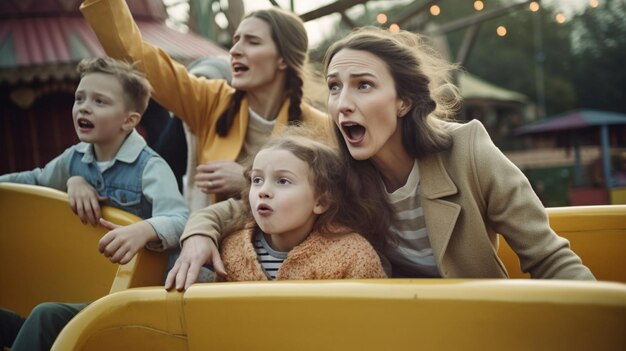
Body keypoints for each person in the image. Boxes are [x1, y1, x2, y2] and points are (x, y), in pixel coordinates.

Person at [166, 27, 594, 288]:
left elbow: (550, 258)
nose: (341, 104)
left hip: (474, 320)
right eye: (334, 87)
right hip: (390, 323)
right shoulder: (337, 170)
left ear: (404, 100)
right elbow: (236, 209)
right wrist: (198, 236)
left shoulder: (469, 150)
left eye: (363, 85)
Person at [0, 57, 189, 351]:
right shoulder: (75, 158)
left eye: (100, 101)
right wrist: (72, 180)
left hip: (128, 293)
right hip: (81, 282)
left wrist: (144, 230)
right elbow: (34, 180)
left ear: (129, 120)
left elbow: (180, 217)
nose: (84, 107)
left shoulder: (149, 167)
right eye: (80, 98)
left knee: (45, 316)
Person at [80, 0, 329, 206]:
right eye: (235, 41)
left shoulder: (321, 127)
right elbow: (135, 56)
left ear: (283, 59)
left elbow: (333, 198)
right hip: (209, 253)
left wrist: (248, 180)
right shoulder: (210, 100)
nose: (234, 51)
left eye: (252, 42)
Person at [216, 127, 386, 281]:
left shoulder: (354, 256)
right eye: (257, 179)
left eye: (283, 181)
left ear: (321, 201)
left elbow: (372, 312)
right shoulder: (230, 252)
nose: (263, 191)